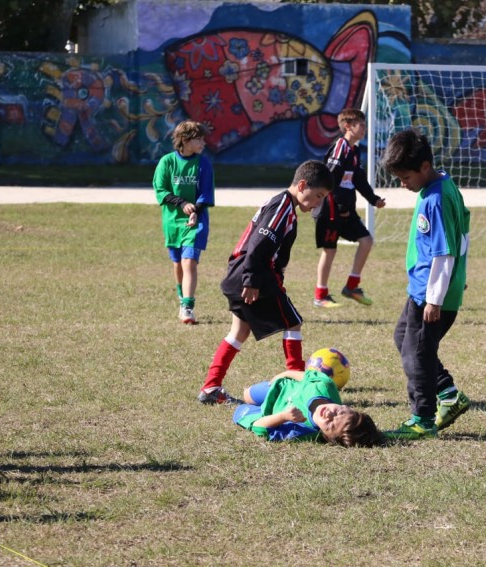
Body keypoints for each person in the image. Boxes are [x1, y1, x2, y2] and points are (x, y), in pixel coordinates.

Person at [198, 160, 334, 404]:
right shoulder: (282, 206)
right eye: (318, 196)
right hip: (251, 274)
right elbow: (259, 245)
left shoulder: (286, 207)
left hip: (241, 273)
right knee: (293, 323)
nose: (317, 203)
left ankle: (211, 388)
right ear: (302, 185)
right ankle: (298, 386)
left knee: (238, 331)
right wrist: (251, 279)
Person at [381, 128, 471, 439]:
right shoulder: (442, 186)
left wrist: (435, 297)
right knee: (404, 338)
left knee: (417, 352)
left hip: (431, 295)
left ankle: (423, 418)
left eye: (405, 178)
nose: (403, 185)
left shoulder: (436, 198)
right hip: (423, 289)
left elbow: (445, 252)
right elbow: (464, 235)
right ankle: (448, 393)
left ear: (424, 167)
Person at [313, 108, 387, 308]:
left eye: (364, 125)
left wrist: (374, 199)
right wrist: (338, 205)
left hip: (345, 208)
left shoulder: (355, 151)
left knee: (366, 240)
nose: (364, 129)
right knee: (330, 250)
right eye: (360, 125)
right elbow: (330, 178)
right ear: (348, 126)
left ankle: (351, 287)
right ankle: (320, 295)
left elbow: (359, 179)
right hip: (330, 208)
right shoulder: (340, 147)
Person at [232, 361, 386, 447]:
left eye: (330, 425)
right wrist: (285, 374)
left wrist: (283, 416)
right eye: (337, 413)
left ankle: (258, 407)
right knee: (246, 394)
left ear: (326, 436)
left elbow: (260, 427)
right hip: (279, 387)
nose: (329, 414)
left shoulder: (302, 430)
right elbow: (308, 377)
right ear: (345, 406)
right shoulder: (326, 386)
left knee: (239, 411)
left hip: (268, 413)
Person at [153, 120, 215, 324]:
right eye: (199, 139)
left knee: (190, 262)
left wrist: (195, 210)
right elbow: (160, 190)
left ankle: (187, 306)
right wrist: (181, 203)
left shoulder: (203, 163)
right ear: (185, 140)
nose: (203, 143)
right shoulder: (167, 162)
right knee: (178, 263)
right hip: (172, 222)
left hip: (195, 221)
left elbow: (205, 193)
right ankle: (182, 298)